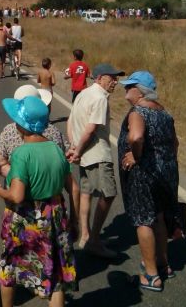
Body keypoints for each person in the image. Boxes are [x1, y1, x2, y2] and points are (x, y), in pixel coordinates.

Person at [0, 96, 77, 307]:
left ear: (22, 126)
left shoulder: (21, 154)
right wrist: (74, 219)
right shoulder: (56, 149)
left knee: (9, 267)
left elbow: (17, 195)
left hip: (26, 218)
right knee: (54, 273)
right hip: (54, 215)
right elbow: (73, 187)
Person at [117, 71, 180, 292]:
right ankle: (163, 264)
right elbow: (175, 144)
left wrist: (136, 156)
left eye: (130, 86)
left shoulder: (138, 112)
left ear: (141, 92)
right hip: (165, 172)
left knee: (143, 219)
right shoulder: (164, 113)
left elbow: (136, 137)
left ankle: (151, 276)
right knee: (159, 216)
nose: (126, 89)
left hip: (144, 174)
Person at [67, 63, 125, 258]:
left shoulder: (83, 93)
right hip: (97, 153)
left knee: (87, 192)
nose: (115, 82)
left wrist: (74, 146)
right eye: (112, 78)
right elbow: (91, 128)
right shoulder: (100, 97)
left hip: (85, 154)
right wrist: (78, 150)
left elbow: (71, 121)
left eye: (116, 78)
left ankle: (86, 235)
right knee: (109, 194)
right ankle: (93, 241)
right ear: (99, 78)